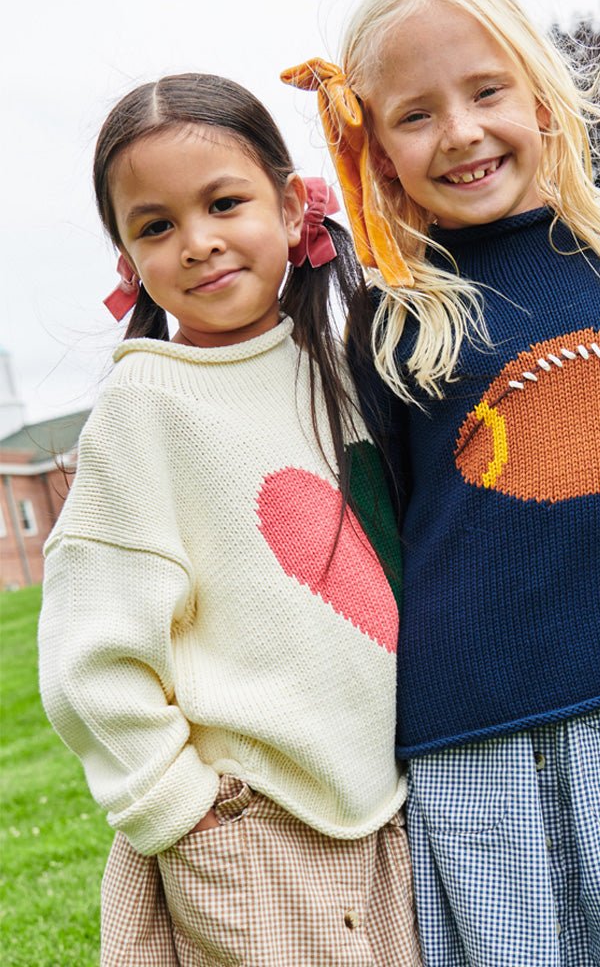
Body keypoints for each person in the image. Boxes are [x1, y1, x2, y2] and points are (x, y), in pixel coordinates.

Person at [283, 0, 600, 966]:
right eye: (415, 114)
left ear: (539, 94)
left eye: (486, 91)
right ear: (375, 149)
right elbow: (377, 529)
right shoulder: (388, 324)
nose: (459, 131)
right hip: (468, 735)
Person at [37, 73, 421, 967]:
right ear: (129, 260)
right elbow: (89, 656)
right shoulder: (148, 404)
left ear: (293, 209)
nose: (199, 242)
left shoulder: (343, 367)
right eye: (157, 225)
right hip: (250, 830)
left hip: (380, 814)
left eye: (223, 202)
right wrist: (181, 811)